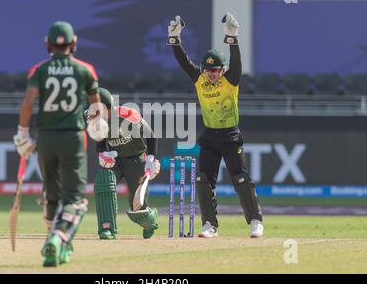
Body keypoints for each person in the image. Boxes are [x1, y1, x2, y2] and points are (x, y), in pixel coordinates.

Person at [13, 21, 106, 267]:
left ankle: (57, 244)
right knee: (74, 199)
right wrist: (98, 127)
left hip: (46, 137)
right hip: (73, 137)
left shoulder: (39, 70)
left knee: (52, 194)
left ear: (48, 44)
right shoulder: (86, 69)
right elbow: (96, 105)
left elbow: (28, 102)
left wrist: (22, 134)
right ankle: (57, 237)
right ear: (74, 43)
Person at [167, 13, 264, 238]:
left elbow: (237, 61)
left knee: (240, 178)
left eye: (215, 70)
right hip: (210, 137)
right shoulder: (199, 79)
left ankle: (255, 221)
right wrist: (174, 40)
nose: (211, 75)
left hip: (230, 136)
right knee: (202, 179)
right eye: (208, 70)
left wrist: (232, 37)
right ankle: (210, 224)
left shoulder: (231, 81)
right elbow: (184, 62)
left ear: (222, 69)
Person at [85, 88, 161, 240]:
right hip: (116, 159)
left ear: (107, 107)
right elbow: (100, 142)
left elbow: (151, 135)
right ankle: (107, 228)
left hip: (136, 158)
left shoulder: (129, 116)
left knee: (137, 207)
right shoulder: (94, 119)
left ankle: (149, 221)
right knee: (104, 181)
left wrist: (151, 159)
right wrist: (102, 154)